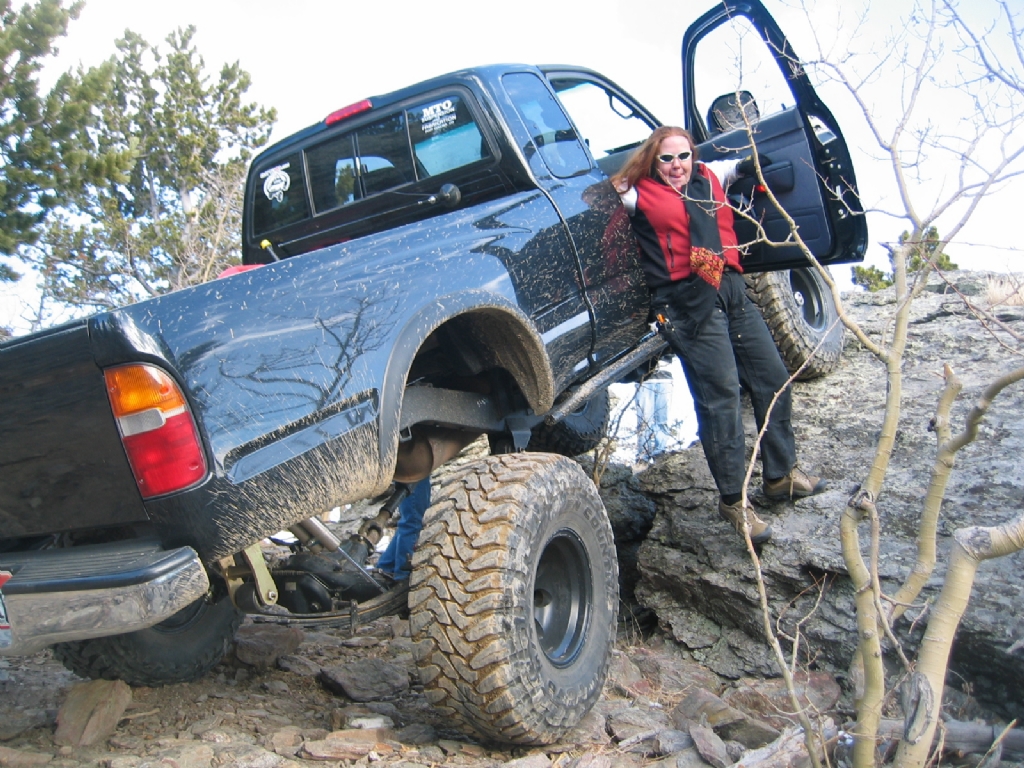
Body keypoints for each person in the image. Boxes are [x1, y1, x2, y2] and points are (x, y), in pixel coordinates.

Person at [610, 126, 826, 545]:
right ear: (652, 162)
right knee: (721, 396)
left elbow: (749, 160)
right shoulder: (639, 194)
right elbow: (602, 199)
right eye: (666, 159)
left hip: (731, 289)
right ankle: (734, 501)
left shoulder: (710, 175)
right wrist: (623, 179)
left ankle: (780, 475)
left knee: (773, 378)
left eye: (683, 156)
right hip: (686, 301)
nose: (677, 166)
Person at [375, 476, 430, 581]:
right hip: (415, 468)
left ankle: (387, 567)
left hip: (418, 470)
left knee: (412, 521)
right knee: (413, 522)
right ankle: (403, 576)